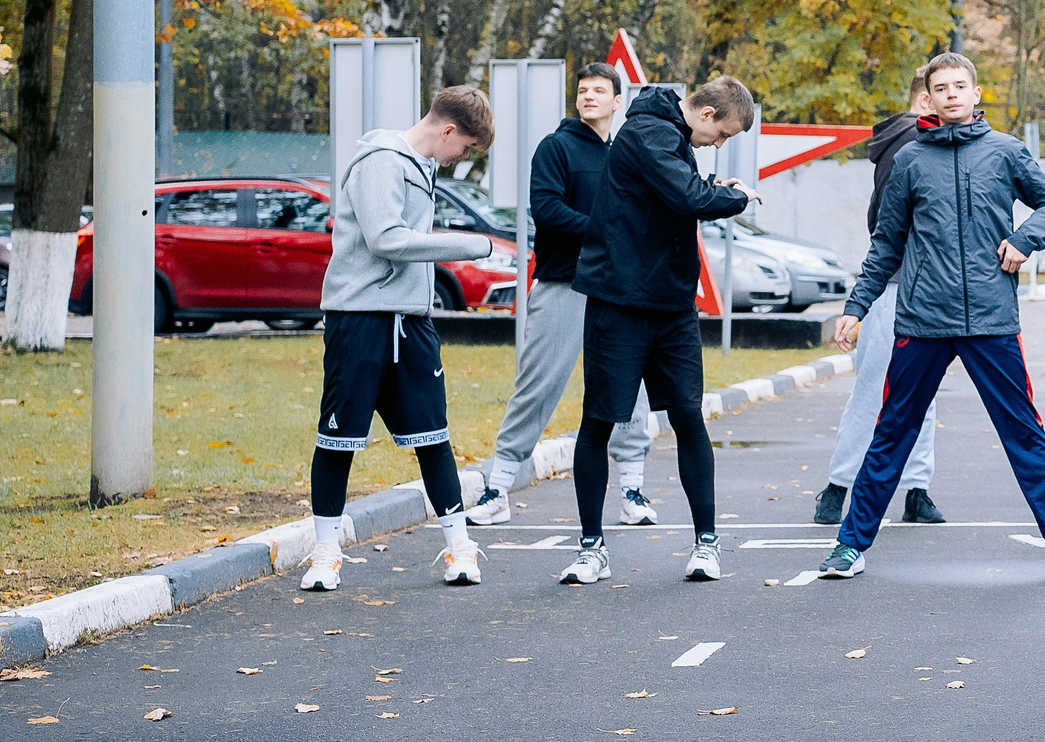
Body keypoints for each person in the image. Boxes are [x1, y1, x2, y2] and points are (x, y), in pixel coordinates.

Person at [818, 52, 1045, 581]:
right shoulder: (910, 161)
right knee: (892, 432)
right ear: (929, 99)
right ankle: (849, 546)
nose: (951, 95)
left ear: (976, 93)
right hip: (923, 321)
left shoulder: (1006, 152)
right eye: (941, 88)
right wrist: (856, 307)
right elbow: (886, 244)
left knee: (1024, 433)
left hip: (992, 320)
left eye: (960, 86)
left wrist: (1025, 240)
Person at [555, 77, 760, 586]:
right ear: (707, 113)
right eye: (723, 135)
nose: (720, 144)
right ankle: (591, 549)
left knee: (688, 417)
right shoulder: (649, 131)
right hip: (620, 303)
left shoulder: (669, 134)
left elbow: (676, 193)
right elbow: (687, 196)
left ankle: (706, 544)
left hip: (670, 305)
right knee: (598, 422)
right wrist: (734, 197)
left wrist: (715, 189)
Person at [299, 86, 499, 592]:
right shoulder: (381, 160)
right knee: (339, 439)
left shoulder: (421, 166)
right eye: (466, 147)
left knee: (433, 436)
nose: (461, 158)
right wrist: (471, 246)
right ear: (448, 130)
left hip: (410, 321)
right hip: (359, 319)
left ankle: (459, 548)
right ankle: (325, 555)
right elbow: (385, 238)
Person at [468, 62, 658, 528]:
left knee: (630, 390)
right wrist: (606, 231)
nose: (589, 96)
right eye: (583, 90)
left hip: (618, 292)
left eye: (599, 90)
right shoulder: (556, 147)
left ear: (618, 101)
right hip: (563, 284)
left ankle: (632, 492)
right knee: (538, 385)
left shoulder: (627, 153)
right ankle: (498, 490)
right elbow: (548, 209)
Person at [813, 66, 944, 529]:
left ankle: (915, 490)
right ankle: (838, 489)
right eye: (942, 92)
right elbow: (886, 227)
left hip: (919, 286)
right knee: (876, 390)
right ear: (924, 100)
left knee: (919, 392)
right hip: (896, 286)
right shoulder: (911, 144)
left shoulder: (915, 141)